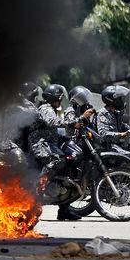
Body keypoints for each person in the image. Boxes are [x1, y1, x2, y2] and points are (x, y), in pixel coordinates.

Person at [28, 84, 94, 221]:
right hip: (39, 143)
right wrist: (77, 120)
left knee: (68, 172)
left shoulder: (51, 108)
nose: (61, 100)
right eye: (60, 98)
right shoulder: (45, 108)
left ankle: (64, 210)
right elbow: (53, 122)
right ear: (55, 97)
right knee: (56, 161)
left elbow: (55, 132)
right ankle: (38, 189)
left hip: (49, 143)